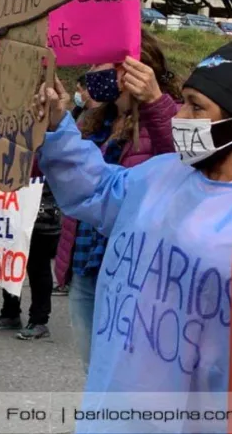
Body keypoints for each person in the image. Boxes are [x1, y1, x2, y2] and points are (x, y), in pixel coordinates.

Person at [36, 35, 232, 434]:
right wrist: (55, 124)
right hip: (118, 412)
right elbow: (98, 189)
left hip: (204, 433)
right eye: (183, 102)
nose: (180, 116)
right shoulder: (163, 173)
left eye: (196, 107)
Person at [50, 31, 179, 371]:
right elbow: (57, 166)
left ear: (129, 70)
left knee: (128, 374)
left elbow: (185, 165)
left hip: (132, 271)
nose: (91, 72)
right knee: (93, 370)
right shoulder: (94, 120)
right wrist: (48, 121)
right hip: (85, 265)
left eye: (98, 65)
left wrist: (154, 101)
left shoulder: (168, 116)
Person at [0, 183, 62, 340]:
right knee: (10, 260)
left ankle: (39, 320)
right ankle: (10, 313)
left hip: (41, 214)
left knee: (38, 266)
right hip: (14, 210)